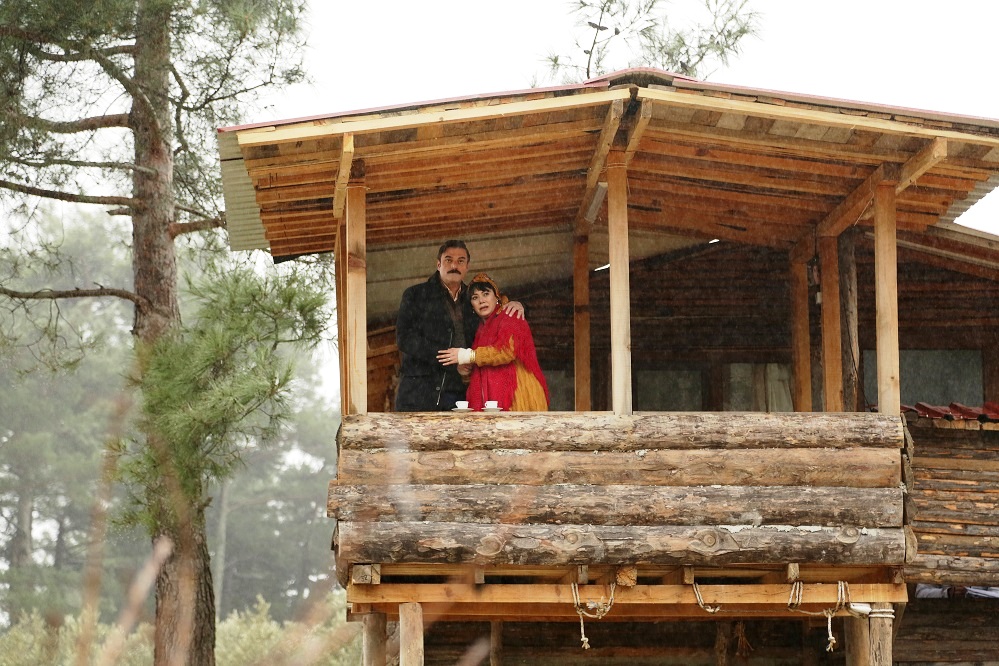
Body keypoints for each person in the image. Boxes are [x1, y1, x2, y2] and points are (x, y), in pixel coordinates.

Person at [395, 241, 522, 411]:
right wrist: (451, 360)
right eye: (448, 260)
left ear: (467, 267)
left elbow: (495, 312)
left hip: (460, 392)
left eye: (460, 261)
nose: (454, 266)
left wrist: (516, 305)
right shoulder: (416, 294)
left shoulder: (473, 298)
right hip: (420, 390)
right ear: (438, 264)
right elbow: (405, 339)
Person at [437, 273, 549, 412]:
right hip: (493, 401)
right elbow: (484, 366)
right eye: (475, 297)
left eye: (486, 294)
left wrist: (467, 355)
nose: (481, 301)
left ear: (497, 297)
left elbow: (506, 352)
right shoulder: (481, 329)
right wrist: (465, 371)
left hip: (518, 396)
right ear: (472, 306)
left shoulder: (510, 314)